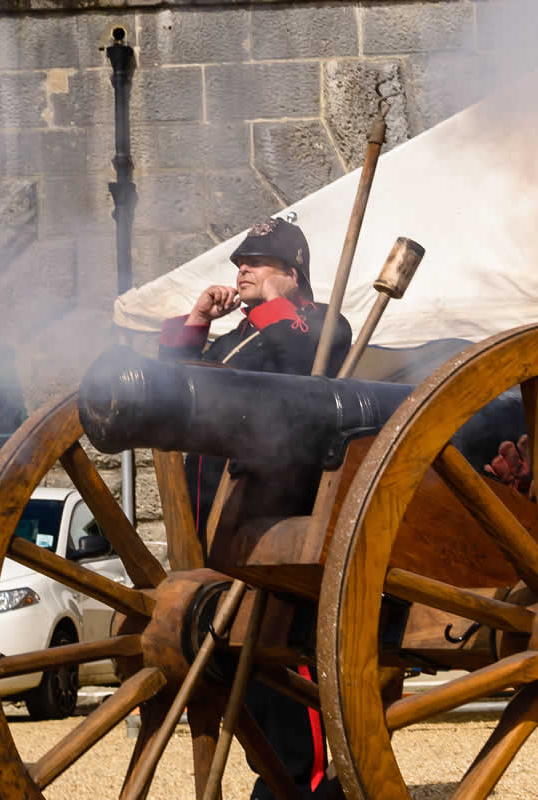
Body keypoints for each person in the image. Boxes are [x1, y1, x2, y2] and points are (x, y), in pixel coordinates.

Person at [157, 214, 352, 800]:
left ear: (292, 274)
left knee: (286, 657)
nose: (242, 269)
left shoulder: (318, 323)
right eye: (240, 262)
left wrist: (270, 301)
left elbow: (306, 357)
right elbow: (173, 395)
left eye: (258, 263)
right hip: (217, 524)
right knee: (245, 657)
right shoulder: (238, 337)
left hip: (278, 515)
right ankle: (277, 776)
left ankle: (313, 782)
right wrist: (195, 322)